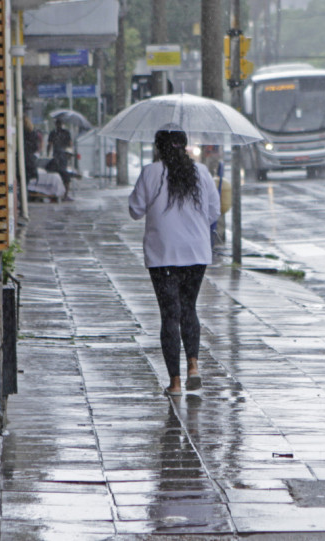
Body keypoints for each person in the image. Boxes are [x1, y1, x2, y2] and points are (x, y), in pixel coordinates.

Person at [128, 127, 221, 396]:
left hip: (163, 254)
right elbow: (214, 210)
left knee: (170, 315)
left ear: (159, 148)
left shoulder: (151, 172)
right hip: (196, 252)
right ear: (185, 147)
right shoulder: (201, 172)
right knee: (189, 308)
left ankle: (176, 383)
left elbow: (135, 210)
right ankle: (193, 365)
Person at [46, 118, 74, 201]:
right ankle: (65, 194)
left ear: (56, 124)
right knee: (65, 175)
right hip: (64, 156)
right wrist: (69, 154)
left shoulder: (53, 133)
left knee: (57, 174)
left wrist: (48, 155)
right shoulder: (66, 133)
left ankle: (56, 194)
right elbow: (70, 145)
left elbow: (49, 145)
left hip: (56, 156)